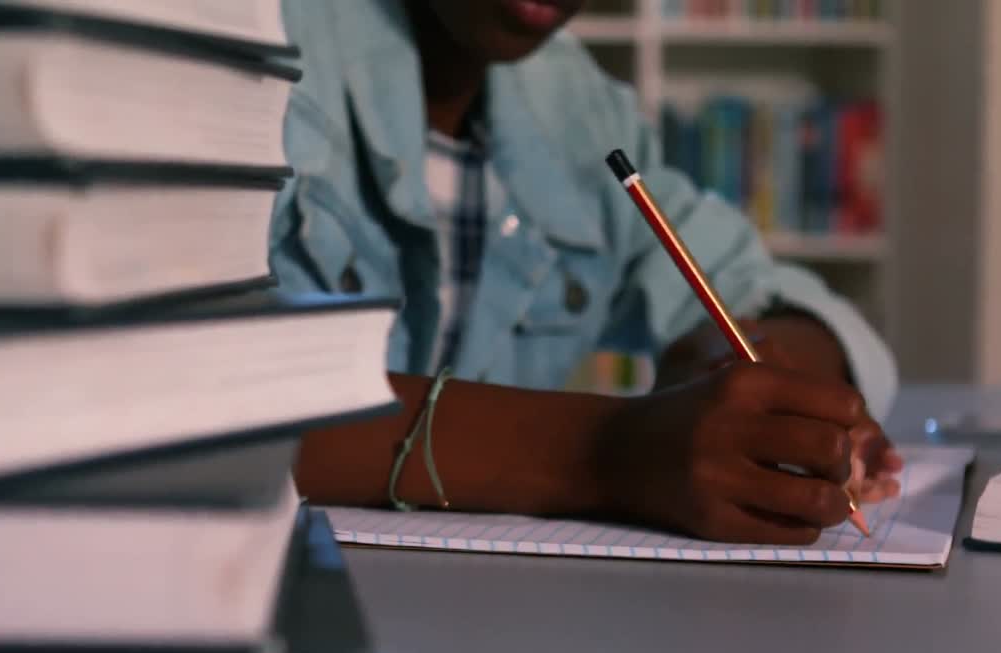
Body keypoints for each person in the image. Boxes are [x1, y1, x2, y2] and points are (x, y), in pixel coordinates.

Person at [268, 0, 905, 544]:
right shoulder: (244, 43)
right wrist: (603, 452)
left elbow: (757, 287)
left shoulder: (574, 104)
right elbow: (201, 396)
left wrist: (761, 386)